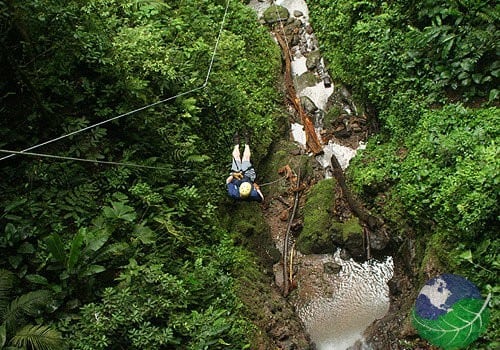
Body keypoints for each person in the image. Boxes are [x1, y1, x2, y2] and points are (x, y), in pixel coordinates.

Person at [226, 133, 264, 202]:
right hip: (248, 176)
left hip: (236, 176)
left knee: (235, 157)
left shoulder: (234, 193)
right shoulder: (253, 194)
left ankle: (236, 144)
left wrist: (233, 175)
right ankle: (247, 144)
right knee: (246, 158)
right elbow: (262, 199)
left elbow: (228, 181)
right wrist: (257, 189)